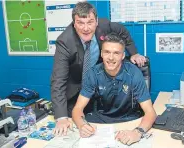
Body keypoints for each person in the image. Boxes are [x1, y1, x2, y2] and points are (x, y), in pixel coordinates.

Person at [51, 1, 147, 136]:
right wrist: (61, 117)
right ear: (74, 23)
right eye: (80, 23)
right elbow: (58, 80)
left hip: (97, 87)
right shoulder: (65, 42)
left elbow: (123, 32)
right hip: (76, 88)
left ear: (96, 21)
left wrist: (134, 52)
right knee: (73, 126)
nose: (85, 28)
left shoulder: (105, 25)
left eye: (90, 22)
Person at [72, 33, 157, 145]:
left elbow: (150, 112)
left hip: (129, 121)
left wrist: (137, 132)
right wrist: (82, 125)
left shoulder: (134, 73)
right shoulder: (93, 73)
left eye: (116, 53)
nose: (111, 57)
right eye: (107, 52)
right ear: (101, 53)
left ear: (123, 56)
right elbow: (77, 109)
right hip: (100, 123)